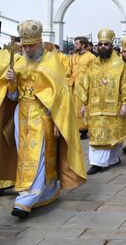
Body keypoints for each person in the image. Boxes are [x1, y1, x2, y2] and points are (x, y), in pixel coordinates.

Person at [0, 20, 86, 218]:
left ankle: (26, 199)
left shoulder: (51, 61)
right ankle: (45, 191)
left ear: (39, 42)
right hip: (21, 115)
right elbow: (13, 96)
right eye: (25, 46)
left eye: (31, 45)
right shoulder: (19, 62)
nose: (28, 49)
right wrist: (12, 82)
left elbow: (61, 97)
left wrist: (57, 122)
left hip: (43, 117)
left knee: (37, 155)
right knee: (24, 154)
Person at [77, 29, 126, 175]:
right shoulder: (93, 64)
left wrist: (125, 103)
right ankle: (97, 163)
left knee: (113, 135)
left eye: (106, 44)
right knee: (96, 135)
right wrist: (83, 103)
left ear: (111, 46)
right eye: (100, 44)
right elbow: (84, 84)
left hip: (114, 107)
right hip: (94, 107)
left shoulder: (119, 64)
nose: (102, 47)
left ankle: (112, 159)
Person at [70, 36, 95, 139]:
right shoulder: (73, 56)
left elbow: (93, 72)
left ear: (83, 45)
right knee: (73, 107)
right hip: (73, 85)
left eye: (77, 44)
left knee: (82, 108)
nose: (74, 46)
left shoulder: (91, 57)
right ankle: (75, 127)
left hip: (84, 86)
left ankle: (84, 129)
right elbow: (68, 69)